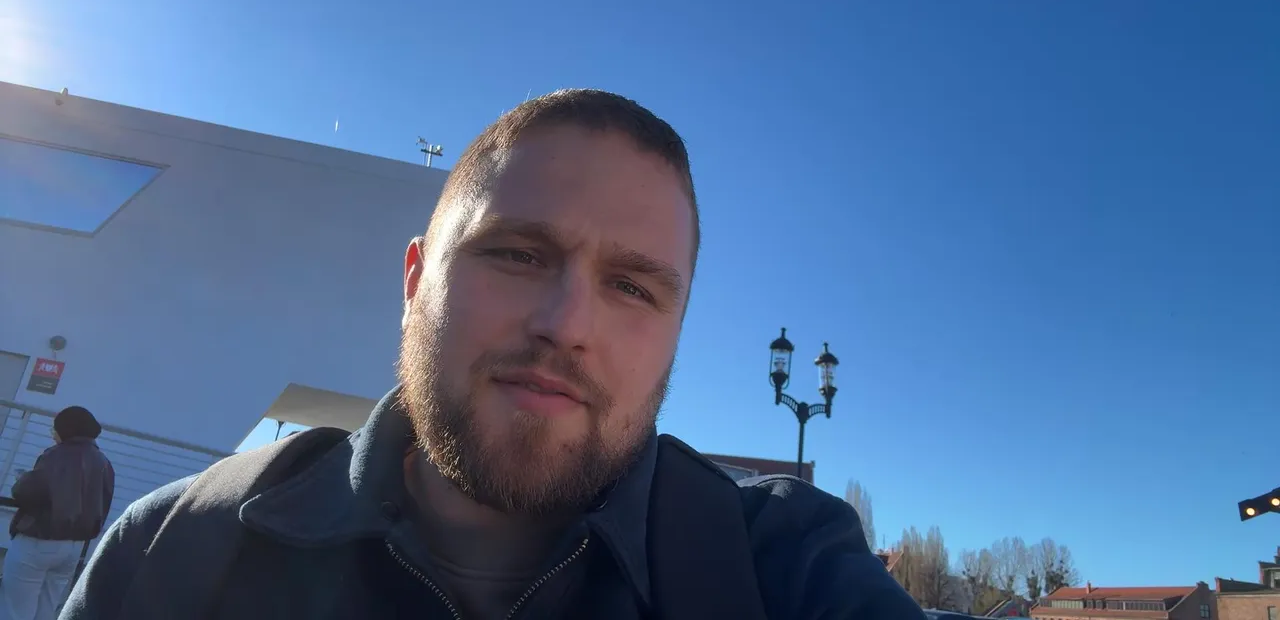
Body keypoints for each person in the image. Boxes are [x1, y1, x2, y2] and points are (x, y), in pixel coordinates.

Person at [63, 90, 924, 619]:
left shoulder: (784, 567)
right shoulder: (174, 551)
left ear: (677, 331)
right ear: (414, 281)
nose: (566, 323)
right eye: (517, 254)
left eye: (633, 287)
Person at [2, 406, 113, 620]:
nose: (53, 434)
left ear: (67, 429)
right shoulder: (103, 462)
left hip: (39, 539)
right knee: (47, 608)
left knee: (15, 609)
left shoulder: (56, 455)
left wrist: (22, 479)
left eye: (55, 428)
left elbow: (27, 492)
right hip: (73, 545)